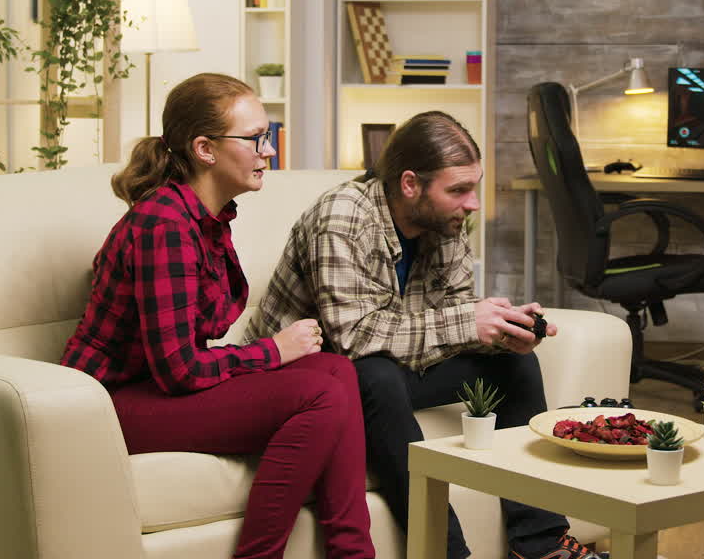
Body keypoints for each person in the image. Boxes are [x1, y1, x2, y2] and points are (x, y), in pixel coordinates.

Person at [245, 111, 601, 559]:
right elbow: (353, 338)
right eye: (458, 190)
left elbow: (452, 316)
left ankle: (542, 542)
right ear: (410, 183)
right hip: (310, 379)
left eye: (473, 187)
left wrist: (501, 329)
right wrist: (467, 322)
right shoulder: (342, 216)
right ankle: (448, 552)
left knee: (515, 364)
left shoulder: (445, 222)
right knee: (376, 376)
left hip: (389, 365)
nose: (472, 203)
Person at [59, 73, 374, 559]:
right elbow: (179, 370)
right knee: (319, 391)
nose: (268, 151)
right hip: (111, 404)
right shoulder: (164, 222)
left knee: (336, 369)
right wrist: (272, 350)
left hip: (152, 387)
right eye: (255, 139)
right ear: (204, 149)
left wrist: (271, 354)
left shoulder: (208, 217)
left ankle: (354, 554)